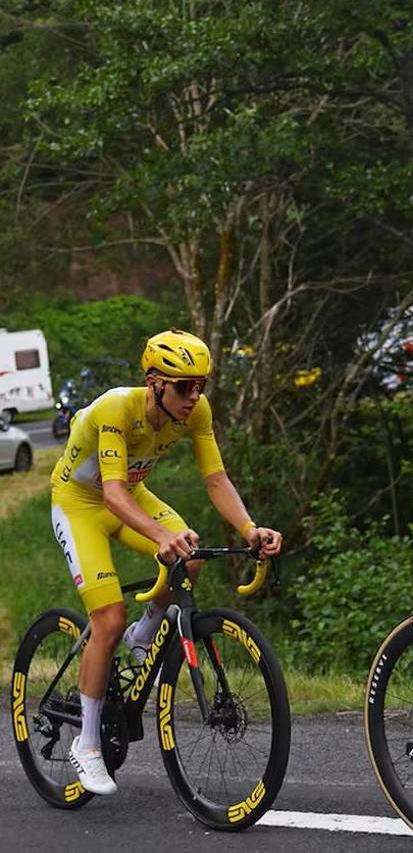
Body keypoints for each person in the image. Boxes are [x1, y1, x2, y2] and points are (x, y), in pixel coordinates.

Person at [50, 329, 282, 796]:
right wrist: (160, 536)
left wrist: (249, 529)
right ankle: (87, 742)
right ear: (154, 382)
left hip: (129, 495)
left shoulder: (196, 412)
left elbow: (216, 479)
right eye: (183, 386)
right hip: (80, 503)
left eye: (201, 385)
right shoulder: (118, 407)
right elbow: (110, 493)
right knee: (108, 618)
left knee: (190, 556)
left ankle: (147, 629)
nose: (194, 396)